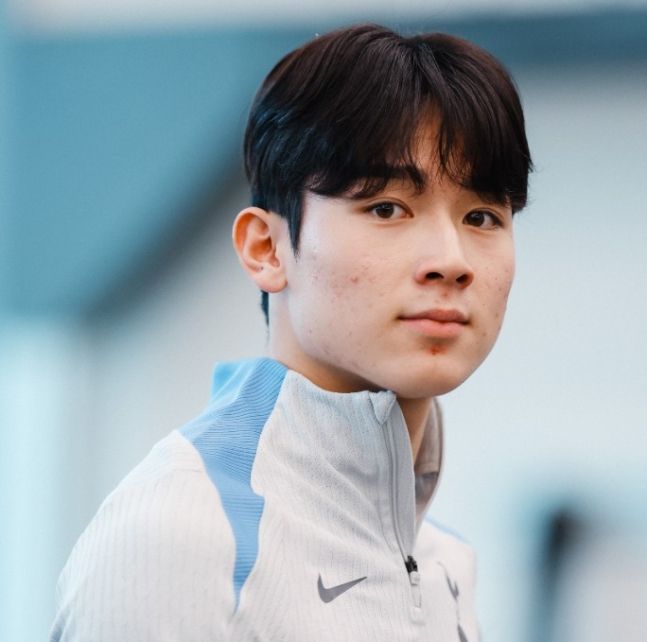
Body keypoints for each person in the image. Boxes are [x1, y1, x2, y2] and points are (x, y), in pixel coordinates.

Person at [50, 23, 531, 641]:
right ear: (266, 248)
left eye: (482, 217)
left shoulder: (447, 564)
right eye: (386, 207)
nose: (452, 260)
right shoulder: (182, 534)